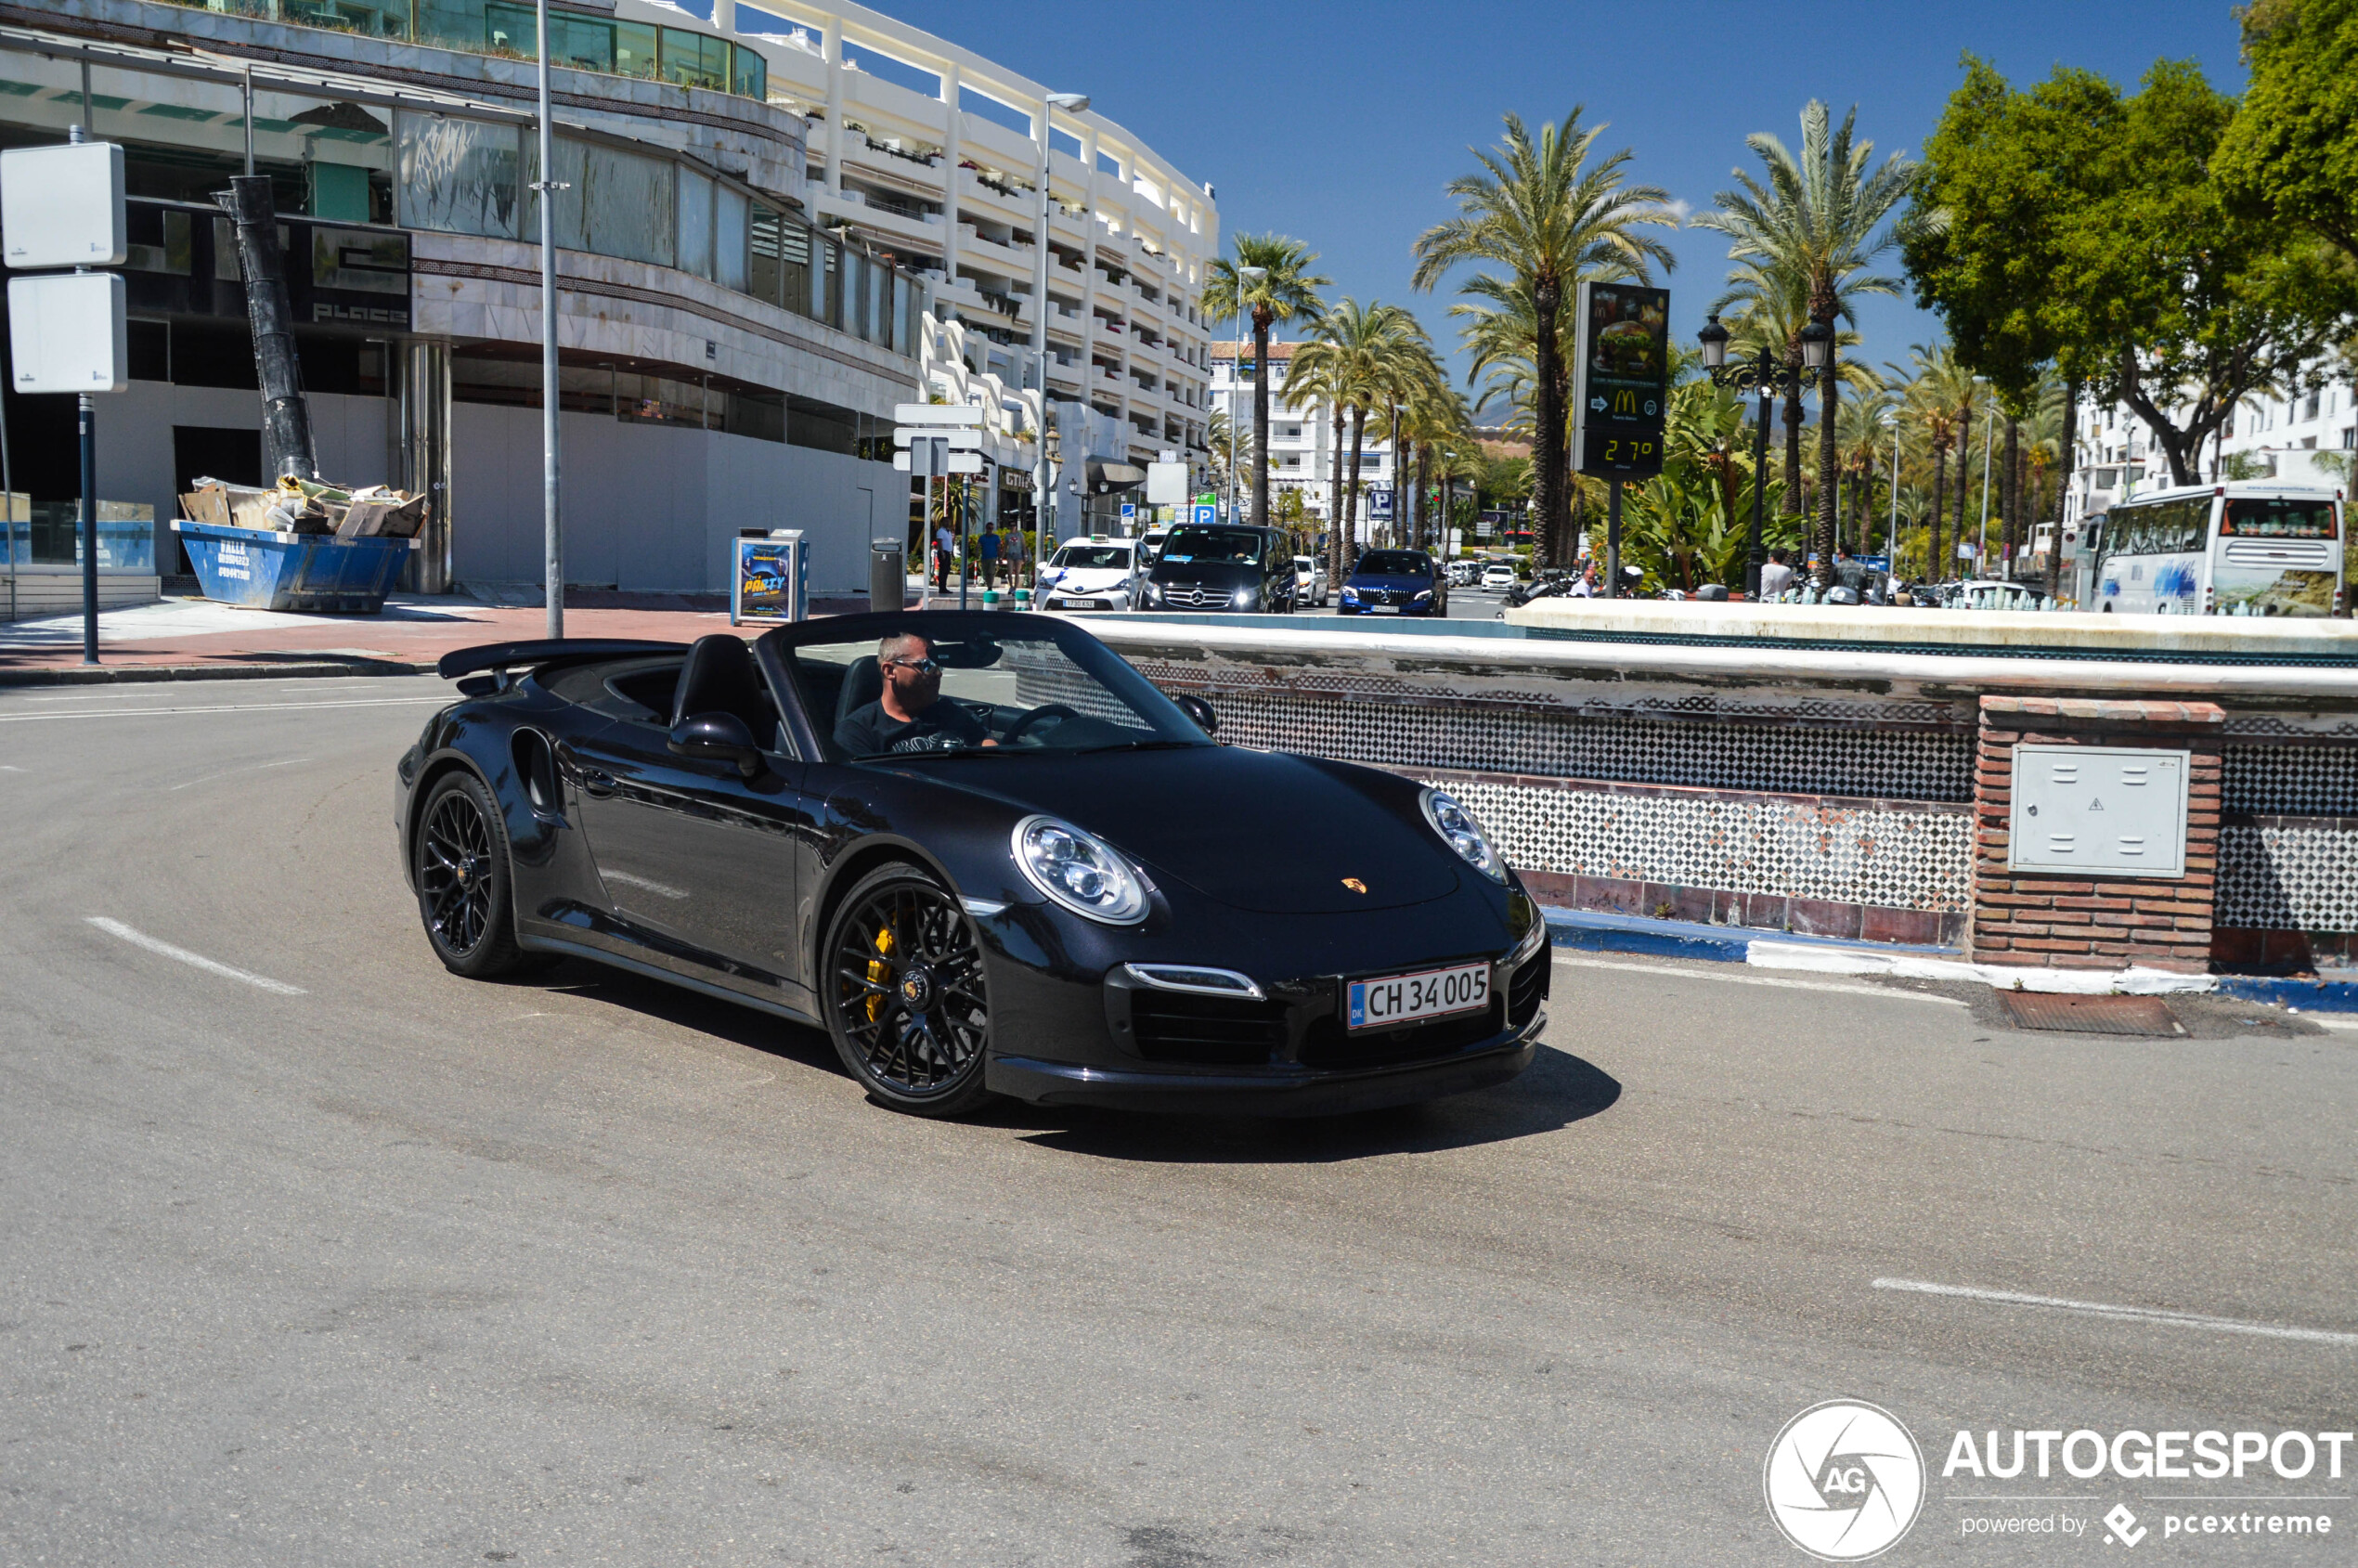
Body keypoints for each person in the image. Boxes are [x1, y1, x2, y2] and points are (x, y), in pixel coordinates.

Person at [834, 632, 994, 756]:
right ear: (890, 671)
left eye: (938, 665)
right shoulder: (857, 732)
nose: (937, 673)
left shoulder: (950, 712)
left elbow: (989, 748)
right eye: (927, 665)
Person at [932, 521, 953, 594]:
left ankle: (944, 587)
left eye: (948, 521)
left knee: (946, 570)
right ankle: (941, 588)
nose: (947, 523)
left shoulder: (949, 532)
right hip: (943, 552)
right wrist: (942, 552)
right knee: (943, 570)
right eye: (946, 521)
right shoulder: (940, 531)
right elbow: (939, 542)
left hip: (948, 552)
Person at [978, 525, 1002, 590]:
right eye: (989, 528)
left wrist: (1000, 558)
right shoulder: (982, 537)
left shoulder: (996, 537)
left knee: (991, 573)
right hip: (984, 557)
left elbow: (999, 548)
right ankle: (988, 585)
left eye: (991, 528)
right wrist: (977, 552)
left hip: (993, 557)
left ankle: (990, 586)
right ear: (986, 528)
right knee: (985, 573)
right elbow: (978, 545)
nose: (990, 530)